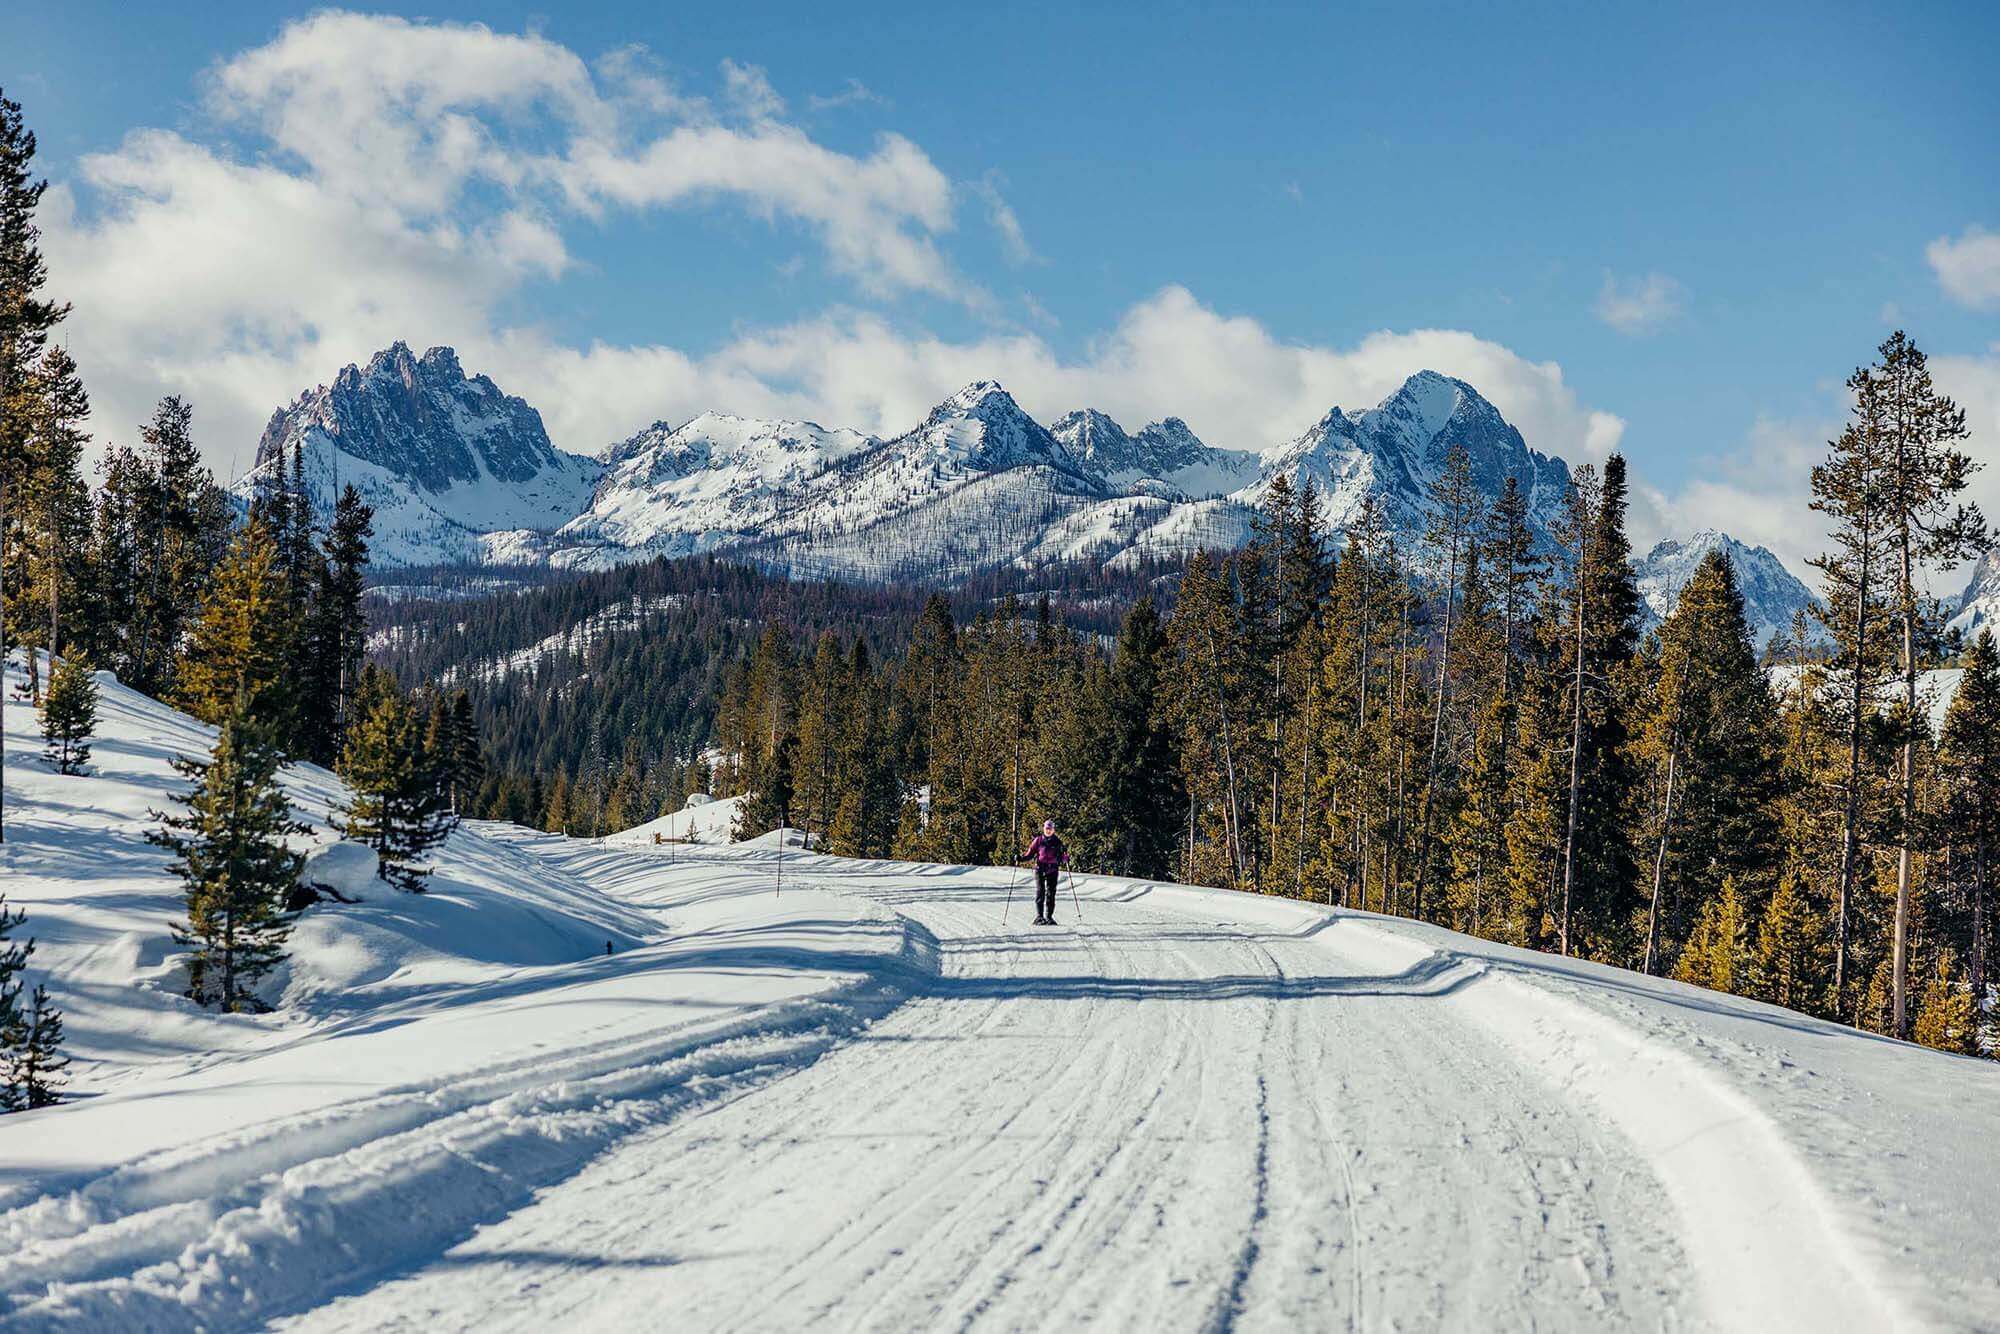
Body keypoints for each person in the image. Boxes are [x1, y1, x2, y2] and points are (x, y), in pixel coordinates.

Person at [1023, 818, 1069, 925]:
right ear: (1044, 829)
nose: (1048, 831)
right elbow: (1030, 854)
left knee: (1051, 894)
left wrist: (1065, 858)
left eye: (1050, 829)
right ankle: (1039, 917)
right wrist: (1020, 858)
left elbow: (1063, 857)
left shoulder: (1057, 842)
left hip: (1053, 870)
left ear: (1053, 830)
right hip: (1040, 869)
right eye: (1046, 828)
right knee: (1040, 892)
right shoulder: (1038, 840)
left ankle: (1049, 917)